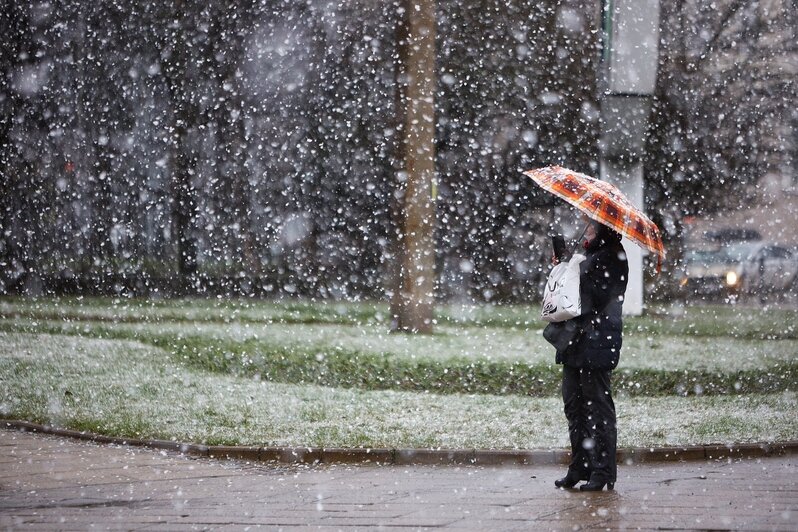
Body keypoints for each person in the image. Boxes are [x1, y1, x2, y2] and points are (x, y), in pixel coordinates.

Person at [551, 219, 628, 491]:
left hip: (597, 341)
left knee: (598, 409)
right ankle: (579, 466)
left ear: (604, 229)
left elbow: (596, 295)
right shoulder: (590, 254)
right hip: (575, 341)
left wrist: (574, 270)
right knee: (574, 406)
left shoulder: (613, 255)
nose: (587, 229)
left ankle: (603, 471)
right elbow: (571, 294)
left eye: (593, 226)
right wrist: (564, 263)